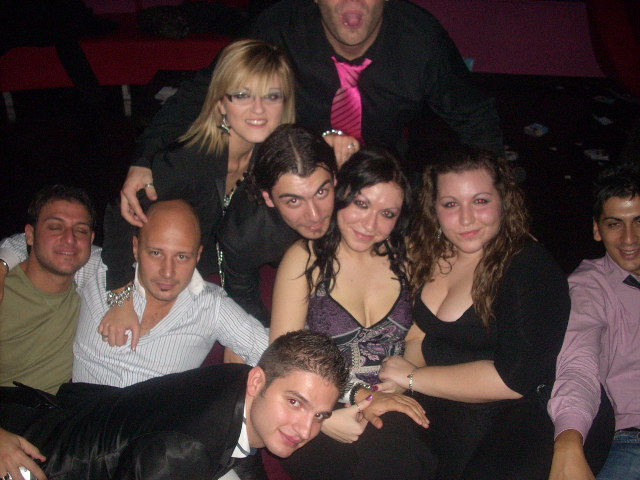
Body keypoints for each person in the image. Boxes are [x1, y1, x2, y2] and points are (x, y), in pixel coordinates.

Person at [125, 0, 502, 200]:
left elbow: (475, 115)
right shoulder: (281, 26)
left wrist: (494, 189)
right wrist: (145, 157)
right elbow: (207, 88)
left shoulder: (420, 39)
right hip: (295, 170)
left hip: (380, 172)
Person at [379, 145, 571, 480]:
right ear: (434, 208)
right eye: (451, 204)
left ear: (503, 201)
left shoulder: (528, 266)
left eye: (480, 201)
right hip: (446, 411)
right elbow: (419, 336)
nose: (466, 218)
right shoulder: (429, 253)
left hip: (520, 421)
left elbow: (514, 380)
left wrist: (412, 378)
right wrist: (398, 383)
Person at [100, 38, 297, 327]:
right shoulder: (189, 161)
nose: (259, 109)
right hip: (155, 277)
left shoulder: (269, 163)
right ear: (221, 104)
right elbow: (119, 213)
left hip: (217, 281)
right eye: (242, 95)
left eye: (272, 96)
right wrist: (120, 295)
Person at [269, 147, 435, 479]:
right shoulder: (305, 258)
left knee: (395, 446)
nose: (370, 224)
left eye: (387, 213)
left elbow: (417, 337)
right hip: (319, 406)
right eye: (361, 203)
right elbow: (283, 357)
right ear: (340, 195)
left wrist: (403, 380)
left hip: (394, 399)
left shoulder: (408, 258)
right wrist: (346, 404)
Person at [0, 330, 350, 480]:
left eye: (320, 416)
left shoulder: (240, 381)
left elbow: (244, 453)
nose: (305, 430)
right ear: (258, 382)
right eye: (295, 402)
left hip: (60, 422)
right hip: (38, 462)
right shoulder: (184, 449)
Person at [1, 199, 267, 387]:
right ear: (135, 247)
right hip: (83, 427)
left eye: (182, 257)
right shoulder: (100, 269)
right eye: (156, 253)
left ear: (197, 256)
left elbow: (274, 353)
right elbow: (42, 246)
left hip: (149, 436)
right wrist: (2, 264)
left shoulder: (212, 306)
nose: (167, 272)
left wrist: (238, 361)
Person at [547, 163, 640, 480]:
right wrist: (568, 441)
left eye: (639, 221)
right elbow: (578, 361)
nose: (630, 238)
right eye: (615, 224)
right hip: (632, 439)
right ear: (598, 230)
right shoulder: (590, 285)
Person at [220, 124, 338, 324]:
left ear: (335, 179)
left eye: (321, 192)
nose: (314, 215)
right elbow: (244, 303)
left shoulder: (358, 202)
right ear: (268, 198)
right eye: (294, 201)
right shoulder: (243, 234)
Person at [0, 185, 95, 395]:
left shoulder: (92, 291)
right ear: (30, 235)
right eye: (55, 227)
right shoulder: (5, 291)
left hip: (58, 408)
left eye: (81, 230)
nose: (70, 238)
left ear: (91, 240)